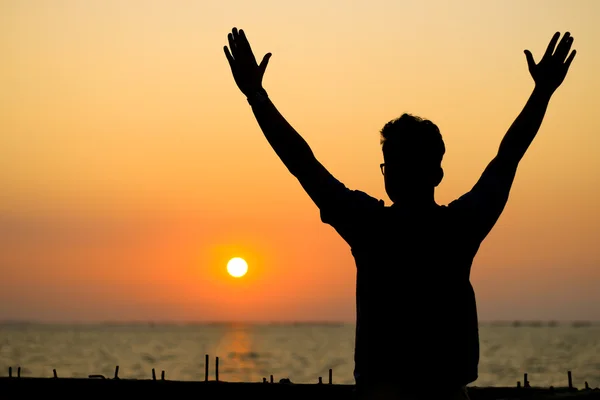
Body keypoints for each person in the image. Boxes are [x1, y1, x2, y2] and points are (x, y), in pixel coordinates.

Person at [223, 29, 576, 399]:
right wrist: (542, 93)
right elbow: (508, 157)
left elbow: (302, 162)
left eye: (395, 164)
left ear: (428, 173)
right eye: (390, 164)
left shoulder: (371, 225)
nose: (392, 172)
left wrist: (256, 97)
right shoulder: (458, 226)